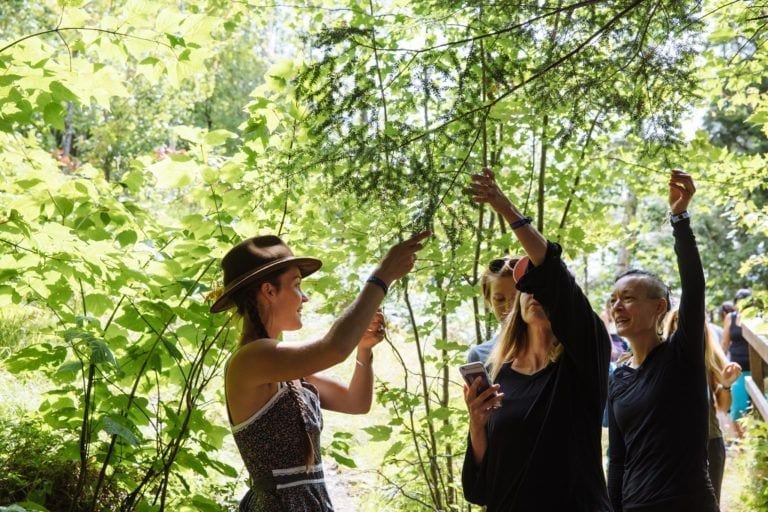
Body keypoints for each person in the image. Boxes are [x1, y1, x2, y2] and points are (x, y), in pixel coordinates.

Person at [209, 232, 429, 511]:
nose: (305, 297)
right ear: (269, 291)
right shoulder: (252, 359)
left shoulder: (284, 367)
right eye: (297, 285)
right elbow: (334, 348)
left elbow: (356, 402)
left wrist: (364, 350)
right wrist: (382, 276)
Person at [461, 169, 612, 511]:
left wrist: (506, 209)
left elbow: (554, 273)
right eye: (525, 289)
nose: (533, 292)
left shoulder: (582, 359)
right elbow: (482, 482)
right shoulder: (499, 373)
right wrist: (477, 421)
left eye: (540, 285)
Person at [607, 169, 719, 512]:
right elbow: (617, 460)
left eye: (628, 298)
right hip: (635, 506)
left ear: (659, 307)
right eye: (613, 300)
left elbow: (694, 287)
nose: (617, 306)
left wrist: (679, 218)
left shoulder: (681, 356)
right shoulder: (619, 379)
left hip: (687, 503)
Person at [663, 309, 742, 504]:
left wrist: (726, 384)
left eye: (690, 319)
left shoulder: (709, 355)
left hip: (709, 441)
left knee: (709, 504)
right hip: (670, 445)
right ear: (669, 325)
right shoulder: (659, 356)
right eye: (677, 320)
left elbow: (723, 406)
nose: (684, 325)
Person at [466, 255, 522, 364]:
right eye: (499, 299)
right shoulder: (479, 355)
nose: (508, 307)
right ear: (489, 301)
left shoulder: (556, 349)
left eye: (516, 299)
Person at [721, 288, 753, 425]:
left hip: (758, 369)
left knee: (760, 406)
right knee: (739, 409)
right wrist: (720, 367)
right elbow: (724, 343)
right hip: (738, 370)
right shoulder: (731, 318)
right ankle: (741, 444)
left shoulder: (758, 317)